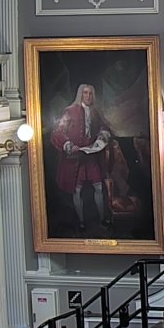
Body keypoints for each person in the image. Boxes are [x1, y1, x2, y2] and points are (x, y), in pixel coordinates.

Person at [50, 83, 114, 235]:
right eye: (85, 93)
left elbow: (104, 127)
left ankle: (102, 219)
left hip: (92, 156)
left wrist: (102, 137)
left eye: (90, 93)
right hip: (75, 157)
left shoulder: (96, 112)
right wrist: (68, 144)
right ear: (80, 94)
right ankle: (81, 222)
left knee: (98, 187)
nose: (88, 96)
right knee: (76, 190)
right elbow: (58, 131)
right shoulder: (70, 111)